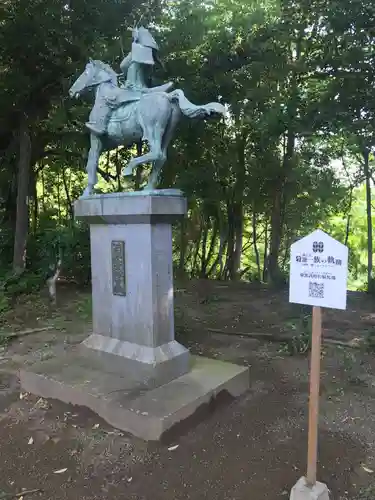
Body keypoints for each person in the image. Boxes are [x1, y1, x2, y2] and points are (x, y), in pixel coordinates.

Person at [86, 26, 173, 136]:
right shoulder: (142, 54)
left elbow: (123, 65)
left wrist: (136, 40)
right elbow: (125, 66)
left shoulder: (141, 52)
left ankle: (100, 125)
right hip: (132, 86)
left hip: (134, 88)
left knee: (108, 98)